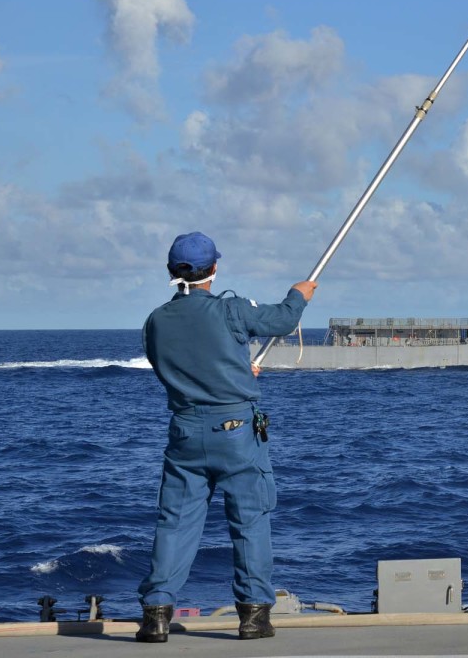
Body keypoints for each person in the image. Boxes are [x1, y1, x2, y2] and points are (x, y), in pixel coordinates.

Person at [135, 232, 317, 643]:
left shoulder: (155, 320)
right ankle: (253, 617)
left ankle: (156, 615)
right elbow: (283, 321)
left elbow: (172, 367)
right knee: (250, 522)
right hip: (235, 432)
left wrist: (234, 371)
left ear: (171, 272)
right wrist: (299, 293)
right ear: (213, 270)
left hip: (184, 432)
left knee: (175, 524)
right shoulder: (231, 310)